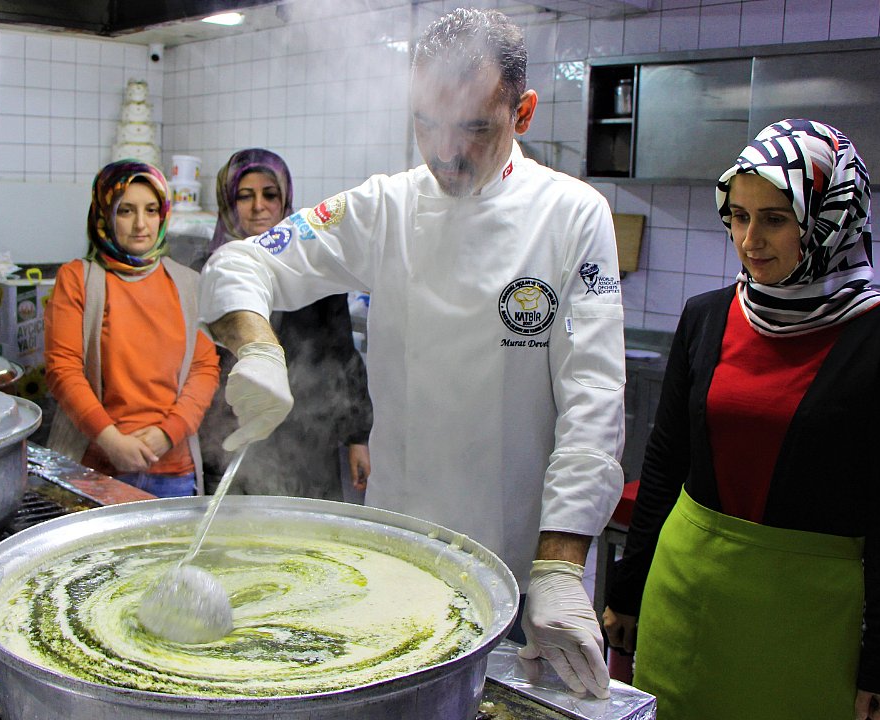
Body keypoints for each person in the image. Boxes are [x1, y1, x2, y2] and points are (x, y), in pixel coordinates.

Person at [198, 8, 625, 698]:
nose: (445, 151)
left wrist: (559, 564)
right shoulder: (386, 207)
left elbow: (593, 400)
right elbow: (243, 264)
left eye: (475, 128)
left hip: (522, 570)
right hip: (398, 554)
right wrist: (257, 348)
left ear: (524, 110)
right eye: (426, 123)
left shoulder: (573, 215)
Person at [602, 119, 880, 720]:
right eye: (738, 216)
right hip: (685, 595)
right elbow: (664, 461)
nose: (750, 239)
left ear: (827, 221)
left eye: (775, 218)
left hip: (806, 617)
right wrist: (627, 590)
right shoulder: (707, 317)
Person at [199, 148, 374, 499]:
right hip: (232, 432)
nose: (258, 206)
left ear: (285, 200)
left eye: (270, 194)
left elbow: (343, 355)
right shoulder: (210, 271)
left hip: (309, 435)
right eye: (244, 196)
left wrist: (358, 437)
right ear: (228, 202)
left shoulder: (316, 273)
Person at [45, 159, 220, 498]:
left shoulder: (188, 284)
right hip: (96, 469)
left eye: (151, 210)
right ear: (104, 215)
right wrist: (110, 439)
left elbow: (204, 368)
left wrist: (169, 432)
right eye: (125, 211)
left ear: (163, 215)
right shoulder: (79, 279)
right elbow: (62, 368)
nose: (141, 224)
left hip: (174, 474)